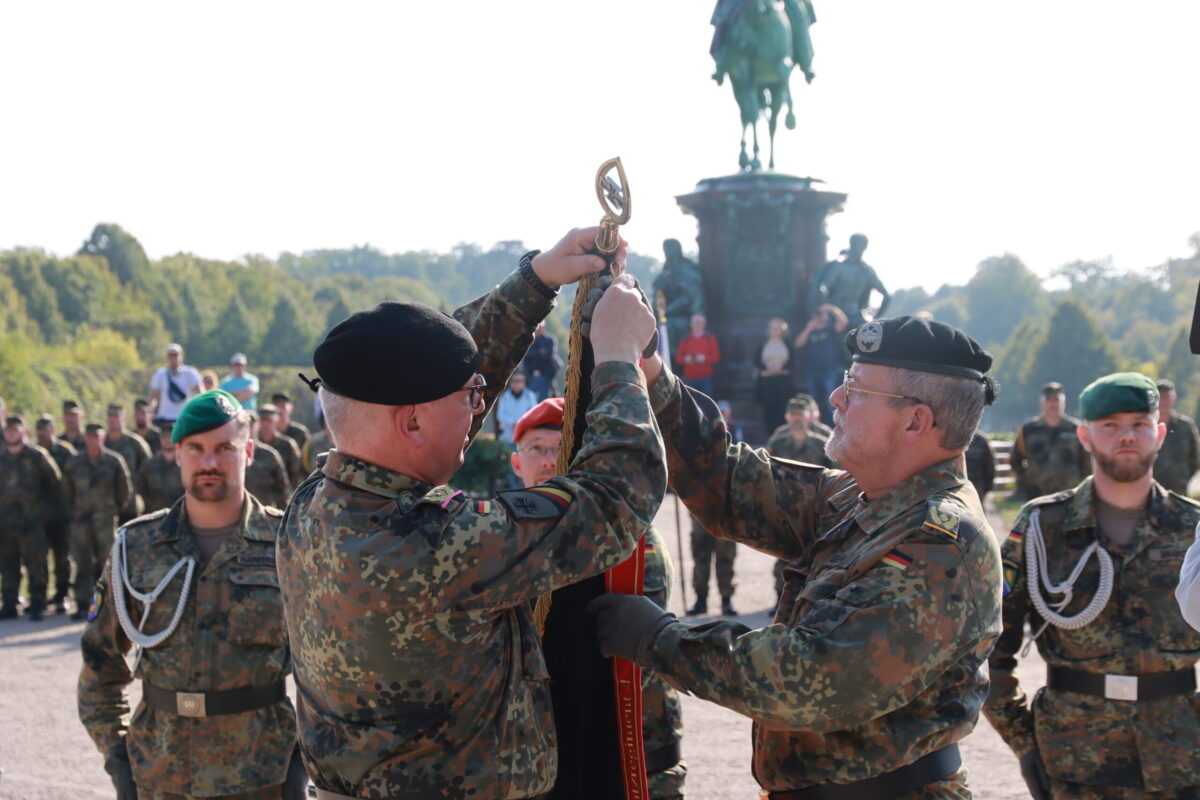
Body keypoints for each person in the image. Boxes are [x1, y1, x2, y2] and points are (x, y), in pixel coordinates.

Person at [276, 229, 666, 800]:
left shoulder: (312, 503)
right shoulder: (443, 542)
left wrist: (535, 283)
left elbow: (428, 370)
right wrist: (617, 359)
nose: (479, 407)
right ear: (411, 424)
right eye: (472, 396)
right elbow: (617, 498)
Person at [590, 315, 1003, 799]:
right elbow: (728, 481)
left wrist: (660, 639)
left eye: (856, 388)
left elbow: (811, 681)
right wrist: (650, 368)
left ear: (915, 421)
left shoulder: (941, 543)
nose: (836, 399)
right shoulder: (862, 497)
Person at [78, 390, 306, 800]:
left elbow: (326, 676)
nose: (209, 463)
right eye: (196, 449)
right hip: (160, 773)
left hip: (261, 775)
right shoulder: (136, 545)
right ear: (177, 453)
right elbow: (100, 664)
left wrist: (301, 766)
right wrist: (119, 761)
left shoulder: (289, 544)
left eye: (224, 448)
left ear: (249, 451)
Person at [985, 372, 1200, 800]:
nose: (1126, 437)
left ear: (1159, 433)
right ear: (1084, 436)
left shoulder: (1193, 527)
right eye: (1110, 426)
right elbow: (990, 646)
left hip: (1181, 756)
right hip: (1073, 757)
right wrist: (1025, 743)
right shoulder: (1041, 526)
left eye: (1139, 424)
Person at [510, 397, 686, 799]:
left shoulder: (628, 538)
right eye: (536, 448)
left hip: (631, 741)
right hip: (541, 748)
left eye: (561, 449)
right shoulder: (505, 534)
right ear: (517, 462)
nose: (549, 461)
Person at [764, 395, 833, 611]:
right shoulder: (778, 441)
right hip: (785, 510)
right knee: (783, 557)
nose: (797, 420)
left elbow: (837, 475)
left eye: (800, 416)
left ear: (809, 417)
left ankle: (810, 603)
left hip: (815, 512)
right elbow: (765, 470)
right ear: (787, 417)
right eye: (793, 416)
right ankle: (780, 599)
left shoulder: (822, 442)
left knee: (816, 558)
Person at [62, 423, 132, 621]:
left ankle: (110, 603)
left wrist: (113, 510)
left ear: (103, 438)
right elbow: (66, 490)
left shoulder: (114, 461)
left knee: (108, 563)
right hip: (80, 521)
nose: (93, 440)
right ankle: (83, 603)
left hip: (105, 521)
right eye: (90, 437)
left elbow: (124, 490)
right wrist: (75, 511)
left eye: (97, 436)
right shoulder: (74, 462)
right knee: (81, 562)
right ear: (85, 438)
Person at [0, 415, 61, 621]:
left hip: (32, 523)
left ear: (24, 432)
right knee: (8, 565)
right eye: (8, 431)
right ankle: (9, 603)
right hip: (6, 523)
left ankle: (37, 603)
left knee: (36, 564)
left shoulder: (37, 456)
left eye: (15, 430)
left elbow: (55, 485)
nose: (11, 434)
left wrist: (44, 514)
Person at [1013, 381, 1091, 500]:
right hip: (1037, 496)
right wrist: (1027, 481)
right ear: (1042, 403)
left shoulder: (1076, 429)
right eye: (1049, 400)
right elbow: (1015, 460)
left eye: (1056, 400)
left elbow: (1087, 462)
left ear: (1063, 402)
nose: (1053, 404)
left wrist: (1081, 485)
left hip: (1070, 496)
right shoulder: (1028, 430)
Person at [34, 415, 75, 613]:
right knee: (38, 558)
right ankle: (39, 596)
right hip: (38, 516)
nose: (42, 433)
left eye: (46, 429)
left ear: (53, 429)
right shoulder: (33, 453)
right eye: (39, 429)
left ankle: (62, 594)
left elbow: (75, 478)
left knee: (62, 557)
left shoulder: (66, 452)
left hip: (61, 515)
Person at [793, 303, 848, 425]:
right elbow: (798, 344)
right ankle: (814, 426)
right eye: (818, 314)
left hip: (828, 371)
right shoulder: (810, 330)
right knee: (813, 403)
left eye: (823, 314)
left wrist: (831, 309)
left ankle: (832, 428)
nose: (820, 317)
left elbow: (843, 322)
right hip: (811, 371)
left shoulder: (830, 328)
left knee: (830, 403)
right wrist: (809, 328)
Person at [104, 403, 153, 524]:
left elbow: (149, 471)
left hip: (131, 506)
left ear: (124, 418)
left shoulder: (135, 444)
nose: (113, 419)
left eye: (116, 416)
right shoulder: (101, 443)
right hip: (106, 505)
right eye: (110, 416)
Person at [1154, 378, 1200, 495]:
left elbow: (1195, 459)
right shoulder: (1145, 426)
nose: (1163, 402)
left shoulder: (1185, 426)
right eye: (1159, 398)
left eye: (1166, 397)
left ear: (1173, 399)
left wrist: (1182, 478)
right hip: (1151, 492)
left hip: (1178, 492)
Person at [133, 423, 185, 513]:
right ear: (160, 439)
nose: (167, 440)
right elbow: (139, 487)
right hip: (153, 515)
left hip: (179, 514)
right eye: (164, 437)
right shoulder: (149, 464)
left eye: (170, 437)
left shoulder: (185, 465)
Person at [244, 412, 291, 509]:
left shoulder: (270, 455)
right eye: (245, 424)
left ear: (257, 426)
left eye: (251, 424)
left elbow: (283, 489)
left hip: (266, 516)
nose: (248, 428)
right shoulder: (234, 455)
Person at [755, 316, 794, 431]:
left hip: (783, 380)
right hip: (767, 380)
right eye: (773, 328)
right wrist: (767, 367)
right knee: (769, 406)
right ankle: (770, 432)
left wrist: (781, 367)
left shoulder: (787, 344)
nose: (775, 330)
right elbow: (756, 360)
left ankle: (783, 430)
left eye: (778, 328)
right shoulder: (763, 343)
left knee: (782, 406)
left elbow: (792, 361)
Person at [148, 343, 203, 424]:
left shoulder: (190, 373)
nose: (174, 358)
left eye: (176, 355)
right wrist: (149, 411)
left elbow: (201, 393)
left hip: (184, 417)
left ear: (181, 356)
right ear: (167, 357)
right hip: (164, 418)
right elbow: (153, 397)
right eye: (171, 355)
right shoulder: (160, 374)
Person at [674, 312, 721, 397]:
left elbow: (716, 358)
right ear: (691, 324)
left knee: (706, 404)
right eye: (695, 322)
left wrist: (703, 359)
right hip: (690, 378)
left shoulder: (710, 338)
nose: (697, 325)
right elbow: (678, 358)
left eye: (700, 323)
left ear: (704, 324)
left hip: (705, 379)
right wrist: (686, 359)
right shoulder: (685, 339)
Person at [257, 404, 304, 487]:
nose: (266, 424)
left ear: (277, 421)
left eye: (269, 420)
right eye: (263, 420)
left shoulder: (288, 445)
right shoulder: (254, 446)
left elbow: (296, 474)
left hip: (282, 496)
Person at [522, 320, 562, 400]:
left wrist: (534, 353)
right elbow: (526, 355)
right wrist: (539, 352)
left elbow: (549, 354)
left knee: (545, 397)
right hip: (530, 376)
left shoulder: (549, 340)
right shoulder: (528, 340)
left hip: (546, 375)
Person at [495, 370, 538, 443]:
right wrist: (514, 423)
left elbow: (534, 413)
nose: (518, 383)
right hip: (508, 437)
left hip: (526, 435)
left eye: (520, 381)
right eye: (515, 380)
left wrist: (521, 423)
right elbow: (500, 415)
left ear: (524, 382)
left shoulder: (530, 396)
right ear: (510, 382)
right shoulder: (504, 397)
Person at [964, 431, 996, 504]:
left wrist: (987, 488)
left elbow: (990, 467)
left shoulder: (981, 440)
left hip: (977, 486)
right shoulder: (952, 439)